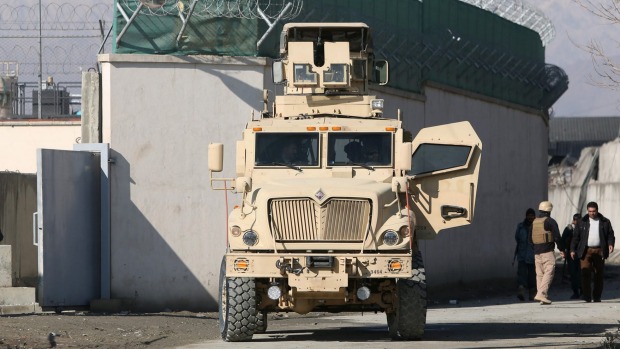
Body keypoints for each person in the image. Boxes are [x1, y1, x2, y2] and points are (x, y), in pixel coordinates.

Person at [570, 202, 615, 302]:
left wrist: (610, 244)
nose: (592, 213)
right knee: (585, 273)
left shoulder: (605, 221)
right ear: (587, 211)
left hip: (599, 250)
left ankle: (597, 296)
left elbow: (610, 234)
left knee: (598, 274)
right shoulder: (582, 222)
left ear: (597, 210)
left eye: (594, 211)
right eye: (590, 211)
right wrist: (572, 249)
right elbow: (575, 237)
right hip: (585, 251)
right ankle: (587, 296)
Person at [529, 200, 564, 305]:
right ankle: (542, 293)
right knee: (549, 271)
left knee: (539, 274)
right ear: (549, 210)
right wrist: (562, 249)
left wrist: (535, 249)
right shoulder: (550, 221)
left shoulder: (534, 222)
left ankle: (542, 296)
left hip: (536, 252)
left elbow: (529, 239)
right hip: (547, 251)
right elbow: (557, 236)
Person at [514, 208, 536, 301]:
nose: (530, 217)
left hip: (533, 255)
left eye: (532, 215)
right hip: (522, 254)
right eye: (529, 215)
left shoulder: (536, 226)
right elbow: (517, 238)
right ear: (526, 216)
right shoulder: (520, 226)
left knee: (532, 276)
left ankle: (532, 294)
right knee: (521, 274)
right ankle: (521, 292)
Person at [562, 213, 582, 299]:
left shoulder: (583, 228)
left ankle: (583, 290)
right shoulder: (569, 229)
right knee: (573, 274)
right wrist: (563, 251)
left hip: (581, 254)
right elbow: (563, 240)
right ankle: (576, 292)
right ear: (574, 220)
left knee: (582, 273)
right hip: (571, 254)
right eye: (576, 220)